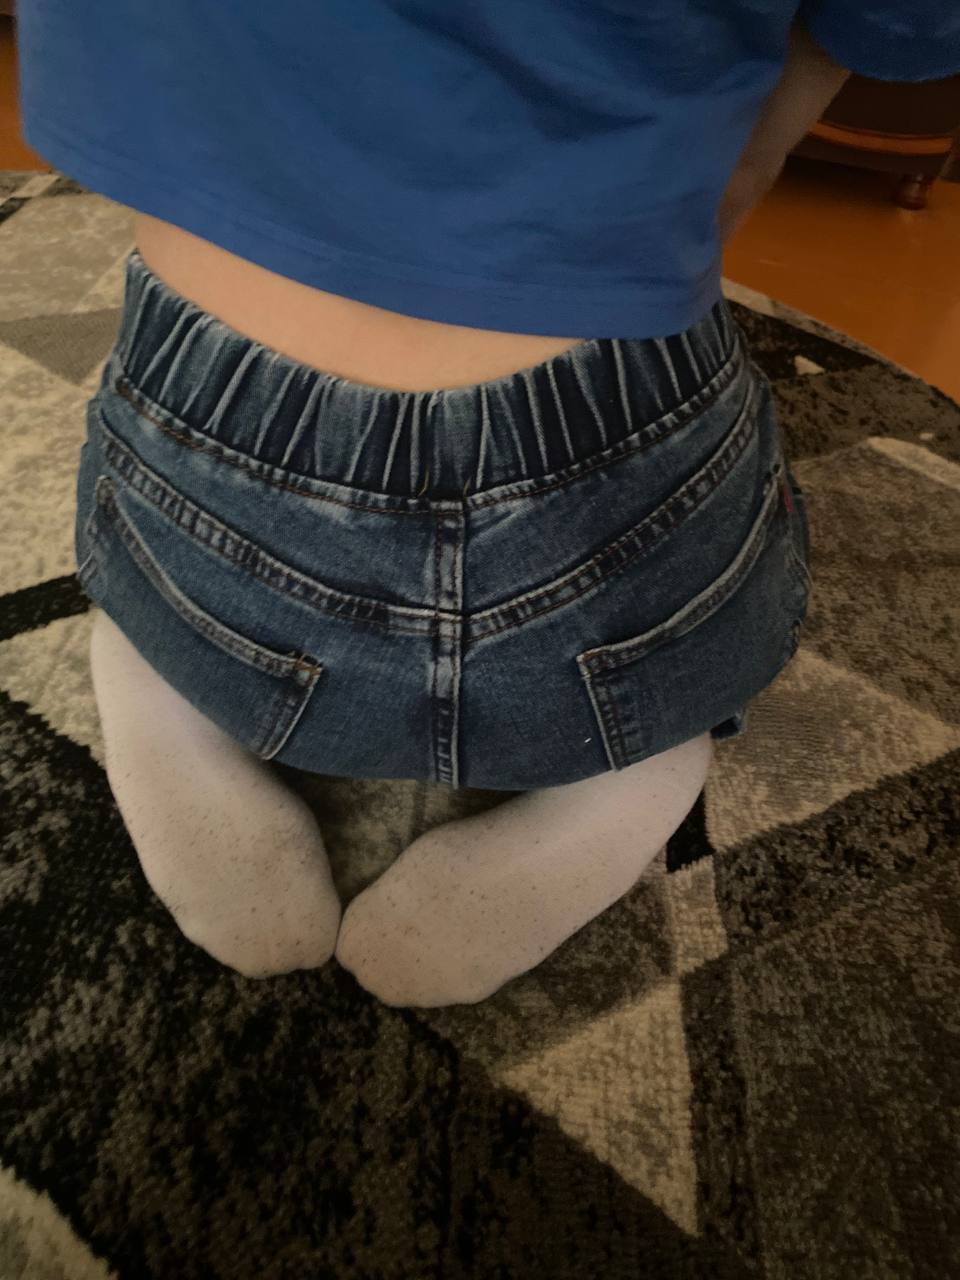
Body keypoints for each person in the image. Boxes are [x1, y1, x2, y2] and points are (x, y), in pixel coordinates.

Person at [15, 2, 960, 1006]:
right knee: (672, 637)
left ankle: (160, 666)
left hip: (199, 453)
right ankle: (636, 763)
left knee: (163, 567)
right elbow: (853, 53)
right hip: (598, 491)